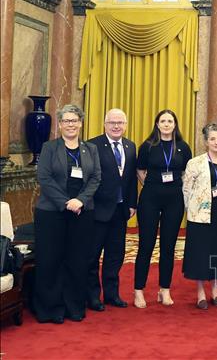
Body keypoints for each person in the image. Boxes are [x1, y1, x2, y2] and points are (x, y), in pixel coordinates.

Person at [33, 104, 101, 323]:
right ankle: (50, 309)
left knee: (77, 260)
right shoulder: (49, 147)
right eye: (66, 121)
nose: (71, 124)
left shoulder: (90, 149)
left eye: (75, 120)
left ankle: (74, 307)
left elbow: (95, 178)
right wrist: (66, 202)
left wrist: (80, 200)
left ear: (81, 123)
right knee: (51, 260)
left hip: (82, 212)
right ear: (60, 124)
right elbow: (44, 178)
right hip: (52, 212)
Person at [134, 109, 192, 308]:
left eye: (170, 121)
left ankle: (164, 290)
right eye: (163, 121)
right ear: (157, 124)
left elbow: (187, 172)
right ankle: (138, 291)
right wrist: (152, 184)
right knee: (146, 245)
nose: (166, 124)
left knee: (168, 246)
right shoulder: (148, 146)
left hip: (174, 200)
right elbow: (140, 170)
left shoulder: (183, 147)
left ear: (175, 125)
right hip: (150, 198)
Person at [87, 108, 137, 311]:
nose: (116, 126)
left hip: (121, 210)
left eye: (120, 123)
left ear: (125, 125)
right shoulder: (92, 145)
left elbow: (131, 179)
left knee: (115, 255)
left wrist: (132, 203)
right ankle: (92, 296)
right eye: (112, 122)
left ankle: (111, 294)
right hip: (98, 210)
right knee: (92, 256)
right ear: (105, 124)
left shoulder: (130, 146)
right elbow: (88, 178)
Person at [182, 124, 217, 309]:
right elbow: (186, 190)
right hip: (200, 217)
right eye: (212, 139)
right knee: (201, 254)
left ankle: (216, 292)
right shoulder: (195, 163)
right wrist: (192, 210)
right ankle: (201, 293)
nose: (216, 142)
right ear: (206, 142)